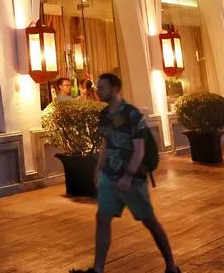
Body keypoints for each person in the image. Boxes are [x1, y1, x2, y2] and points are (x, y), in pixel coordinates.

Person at [71, 73, 181, 273]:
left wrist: (129, 175)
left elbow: (139, 150)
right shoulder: (104, 115)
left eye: (102, 87)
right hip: (109, 176)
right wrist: (99, 168)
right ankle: (97, 269)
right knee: (102, 218)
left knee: (149, 221)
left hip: (132, 179)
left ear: (115, 89)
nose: (98, 90)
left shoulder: (132, 114)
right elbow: (106, 143)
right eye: (97, 87)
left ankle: (171, 266)